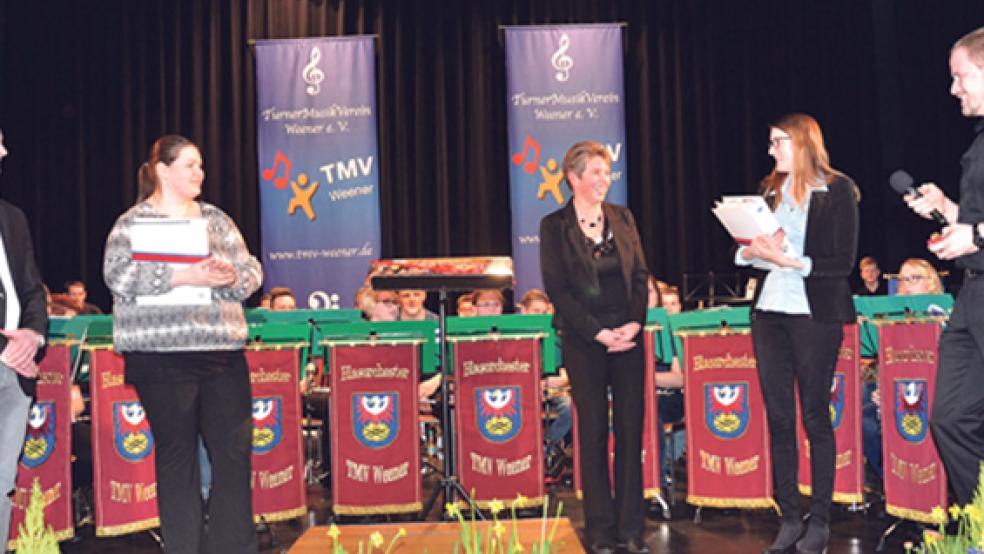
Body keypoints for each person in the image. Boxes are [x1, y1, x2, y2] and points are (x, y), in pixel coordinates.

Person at [103, 134, 262, 553]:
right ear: (162, 171)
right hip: (159, 357)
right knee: (178, 460)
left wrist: (230, 277)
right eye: (190, 165)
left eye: (201, 165)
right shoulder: (131, 223)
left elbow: (251, 272)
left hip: (219, 353)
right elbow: (117, 276)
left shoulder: (216, 220)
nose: (200, 173)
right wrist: (182, 276)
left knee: (233, 457)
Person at [735, 114, 859, 554]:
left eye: (777, 142)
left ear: (803, 141)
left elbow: (842, 262)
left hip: (814, 313)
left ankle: (820, 521)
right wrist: (750, 250)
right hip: (769, 311)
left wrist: (793, 263)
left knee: (813, 416)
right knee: (779, 417)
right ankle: (789, 517)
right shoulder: (769, 188)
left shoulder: (838, 189)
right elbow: (753, 244)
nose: (771, 150)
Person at [540, 140, 650, 554]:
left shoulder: (623, 218)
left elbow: (640, 274)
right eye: (597, 173)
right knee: (593, 431)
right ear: (574, 178)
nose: (605, 180)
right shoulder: (554, 226)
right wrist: (598, 333)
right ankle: (601, 530)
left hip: (629, 336)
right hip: (585, 342)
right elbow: (559, 290)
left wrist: (635, 323)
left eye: (608, 172)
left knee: (629, 429)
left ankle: (630, 528)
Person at [904, 26, 984, 508]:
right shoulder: (979, 142)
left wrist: (973, 235)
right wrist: (949, 210)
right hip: (972, 294)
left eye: (961, 76)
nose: (953, 88)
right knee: (949, 417)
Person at [0, 127, 49, 552]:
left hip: (15, 372)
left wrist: (32, 335)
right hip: (9, 357)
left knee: (1, 484)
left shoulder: (12, 216)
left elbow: (32, 290)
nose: (4, 150)